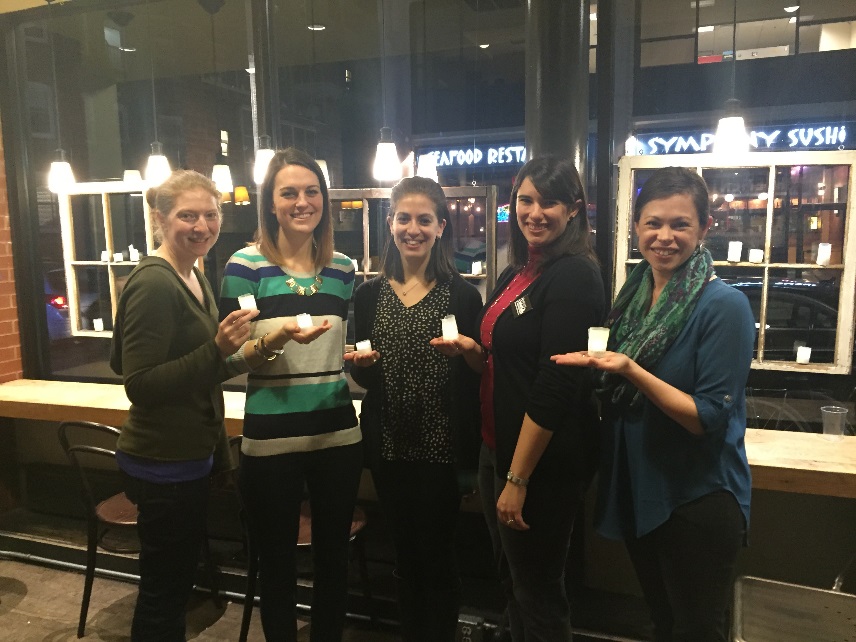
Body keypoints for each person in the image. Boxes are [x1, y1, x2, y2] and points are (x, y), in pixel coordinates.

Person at [552, 166, 754, 642]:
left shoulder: (723, 306)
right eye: (653, 223)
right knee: (661, 624)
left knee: (696, 631)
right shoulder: (634, 297)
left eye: (680, 224)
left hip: (697, 497)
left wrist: (630, 370)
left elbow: (706, 417)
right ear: (636, 227)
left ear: (704, 228)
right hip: (642, 490)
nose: (665, 237)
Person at [438, 156, 605, 641]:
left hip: (539, 466)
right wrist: (471, 350)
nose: (534, 212)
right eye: (525, 200)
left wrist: (518, 477)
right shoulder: (522, 269)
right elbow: (500, 358)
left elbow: (556, 385)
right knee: (513, 584)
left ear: (573, 209)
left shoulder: (574, 275)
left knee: (538, 596)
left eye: (548, 202)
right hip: (498, 450)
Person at [219, 147, 362, 642]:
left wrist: (358, 357)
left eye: (311, 191)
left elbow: (337, 351)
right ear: (270, 204)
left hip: (337, 433)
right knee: (275, 564)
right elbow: (227, 360)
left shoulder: (343, 269)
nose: (302, 202)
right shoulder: (245, 266)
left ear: (325, 200)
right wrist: (275, 339)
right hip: (270, 438)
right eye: (289, 193)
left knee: (334, 561)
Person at [110, 169, 259, 641]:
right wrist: (216, 349)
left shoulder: (193, 274)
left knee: (173, 584)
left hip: (186, 461)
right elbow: (140, 383)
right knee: (164, 591)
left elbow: (202, 370)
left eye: (210, 215)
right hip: (162, 463)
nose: (202, 226)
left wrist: (262, 349)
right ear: (159, 218)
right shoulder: (156, 282)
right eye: (187, 216)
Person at [345, 176, 482, 641]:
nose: (413, 229)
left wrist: (469, 352)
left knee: (439, 556)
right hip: (389, 445)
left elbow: (477, 375)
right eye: (404, 218)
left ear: (441, 227)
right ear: (390, 223)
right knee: (404, 555)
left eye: (425, 220)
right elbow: (369, 377)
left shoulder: (463, 295)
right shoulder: (368, 295)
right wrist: (361, 367)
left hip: (443, 448)